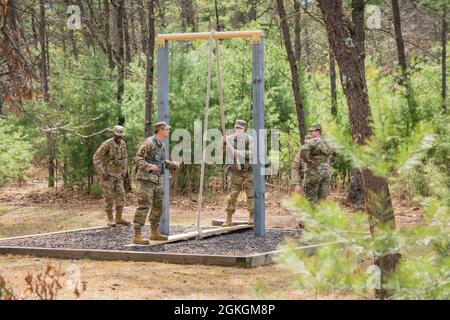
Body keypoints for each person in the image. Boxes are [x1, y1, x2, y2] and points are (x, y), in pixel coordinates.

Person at [133, 121, 180, 244]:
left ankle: (154, 232)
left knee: (158, 205)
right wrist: (148, 166)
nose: (168, 131)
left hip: (156, 180)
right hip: (145, 180)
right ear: (160, 130)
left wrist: (172, 164)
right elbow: (138, 158)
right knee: (143, 206)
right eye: (167, 129)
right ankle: (137, 235)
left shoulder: (162, 145)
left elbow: (162, 162)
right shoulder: (149, 143)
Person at [93, 125, 130, 227]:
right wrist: (102, 172)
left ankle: (119, 218)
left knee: (121, 196)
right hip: (107, 175)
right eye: (117, 135)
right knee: (108, 197)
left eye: (121, 136)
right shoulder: (107, 144)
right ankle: (110, 218)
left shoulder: (123, 144)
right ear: (114, 134)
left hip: (118, 176)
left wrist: (124, 171)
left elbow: (125, 158)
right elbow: (96, 158)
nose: (119, 137)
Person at [221, 119, 254, 227]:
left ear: (244, 130)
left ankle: (252, 216)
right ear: (234, 128)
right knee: (232, 195)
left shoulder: (250, 140)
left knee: (251, 195)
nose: (238, 130)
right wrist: (223, 142)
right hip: (235, 172)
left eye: (240, 128)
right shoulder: (229, 139)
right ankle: (228, 218)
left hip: (248, 172)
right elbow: (219, 151)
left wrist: (239, 153)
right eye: (236, 128)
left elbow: (252, 154)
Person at [299, 123, 336, 203]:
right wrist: (329, 163)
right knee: (322, 200)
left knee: (311, 199)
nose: (310, 133)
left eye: (312, 131)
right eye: (310, 131)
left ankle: (312, 215)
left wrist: (307, 161)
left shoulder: (314, 141)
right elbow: (336, 153)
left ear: (318, 131)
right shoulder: (328, 142)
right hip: (326, 173)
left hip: (313, 173)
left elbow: (303, 150)